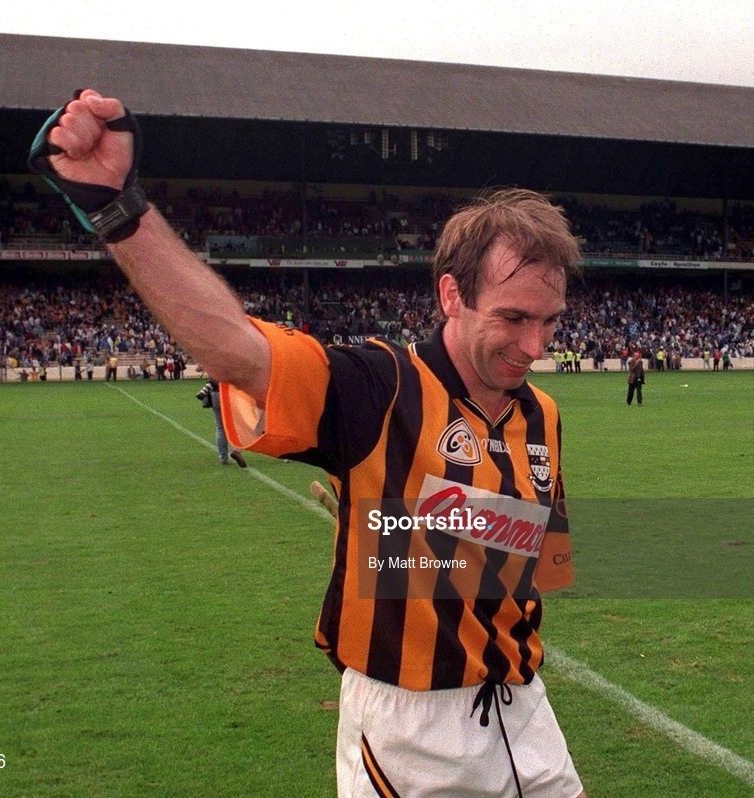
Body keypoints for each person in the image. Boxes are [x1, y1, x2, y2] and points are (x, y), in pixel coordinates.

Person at [30, 89, 587, 798]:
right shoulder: (379, 386)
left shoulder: (543, 414)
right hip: (410, 729)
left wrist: (416, 524)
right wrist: (117, 207)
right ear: (451, 295)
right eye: (513, 317)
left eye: (550, 321)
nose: (535, 345)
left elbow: (545, 566)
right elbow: (235, 351)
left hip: (524, 705)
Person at [200, 378, 247, 467]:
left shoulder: (214, 364)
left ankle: (223, 457)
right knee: (236, 424)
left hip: (215, 393)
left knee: (220, 427)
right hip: (230, 393)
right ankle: (236, 450)